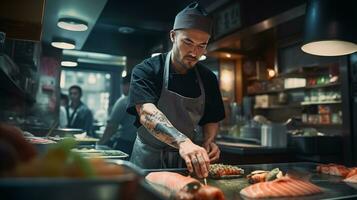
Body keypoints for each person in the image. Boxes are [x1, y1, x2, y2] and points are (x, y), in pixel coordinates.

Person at [127, 2, 225, 178]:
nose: (195, 52)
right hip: (148, 160)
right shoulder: (147, 70)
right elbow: (146, 113)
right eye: (188, 42)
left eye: (202, 45)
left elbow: (212, 118)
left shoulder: (208, 78)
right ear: (173, 36)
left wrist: (209, 141)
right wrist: (182, 141)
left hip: (186, 162)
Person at [98, 75, 137, 156]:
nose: (122, 87)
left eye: (123, 84)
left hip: (125, 143)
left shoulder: (124, 101)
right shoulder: (145, 100)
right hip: (139, 145)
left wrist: (99, 144)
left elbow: (111, 127)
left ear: (129, 85)